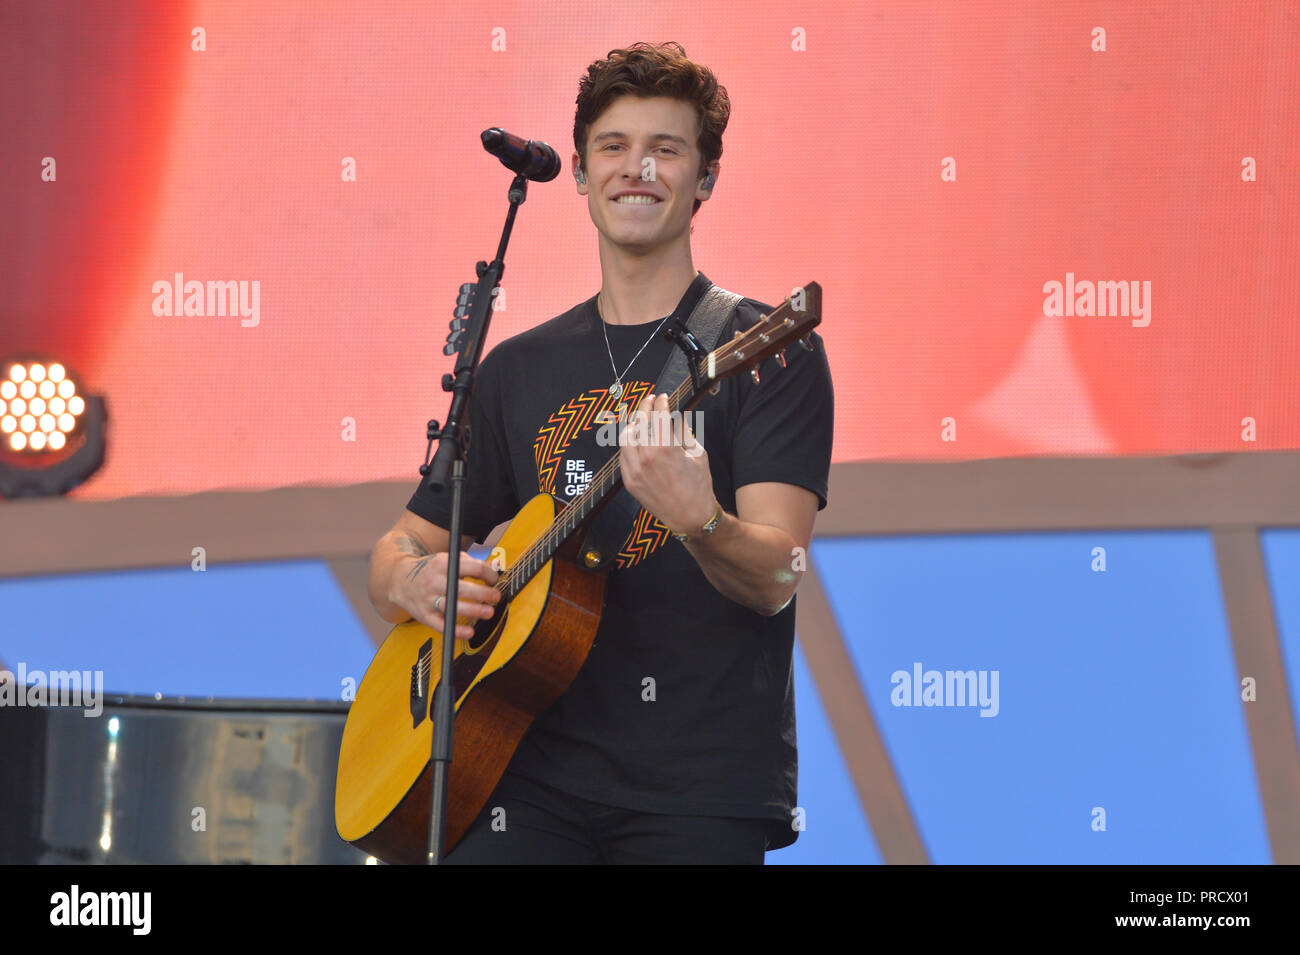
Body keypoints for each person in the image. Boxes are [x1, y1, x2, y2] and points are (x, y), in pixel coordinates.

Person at [367, 41, 834, 864]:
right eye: (613, 148)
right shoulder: (516, 367)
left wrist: (702, 523)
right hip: (516, 767)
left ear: (705, 180)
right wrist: (415, 581)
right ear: (580, 176)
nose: (637, 169)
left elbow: (779, 575)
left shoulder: (769, 350)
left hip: (697, 791)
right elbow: (396, 551)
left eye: (667, 149)